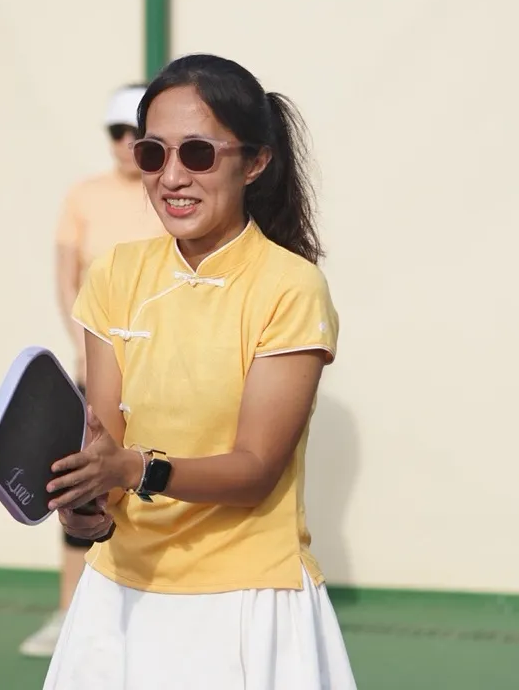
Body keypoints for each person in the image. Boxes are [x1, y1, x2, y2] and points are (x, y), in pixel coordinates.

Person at [42, 53, 357, 689]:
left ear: (255, 161)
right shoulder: (115, 275)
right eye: (153, 153)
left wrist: (133, 469)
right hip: (119, 598)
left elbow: (254, 470)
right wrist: (88, 508)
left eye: (199, 154)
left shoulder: (290, 288)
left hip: (248, 602)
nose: (172, 176)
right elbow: (105, 445)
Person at [19, 84, 165, 658]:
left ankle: (150, 609)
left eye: (138, 132)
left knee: (156, 477)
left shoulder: (169, 191)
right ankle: (68, 613)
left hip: (161, 368)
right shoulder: (84, 195)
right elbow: (68, 277)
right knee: (82, 483)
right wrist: (84, 345)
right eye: (117, 131)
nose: (128, 142)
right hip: (98, 363)